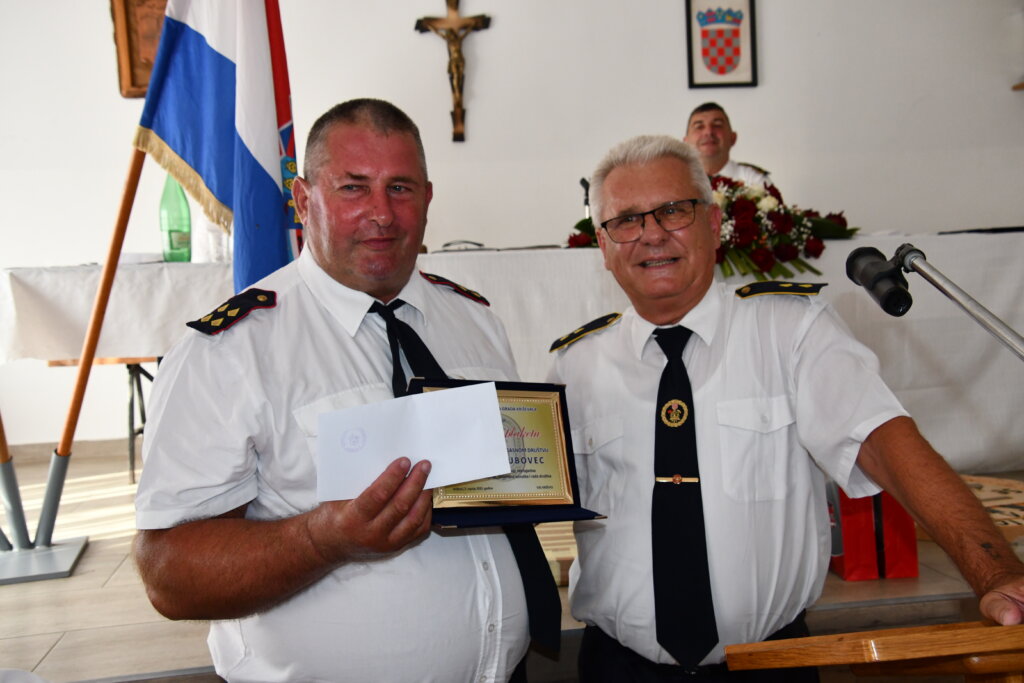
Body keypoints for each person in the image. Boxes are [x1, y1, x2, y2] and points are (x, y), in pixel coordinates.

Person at [548, 134, 1024, 682]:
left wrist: (996, 574)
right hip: (617, 668)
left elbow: (886, 445)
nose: (652, 234)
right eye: (627, 220)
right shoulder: (574, 364)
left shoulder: (793, 330)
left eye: (674, 210)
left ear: (713, 223)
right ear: (604, 246)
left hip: (770, 664)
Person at [133, 98, 553, 682]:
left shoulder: (475, 321)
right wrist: (323, 540)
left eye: (400, 188)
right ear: (304, 201)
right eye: (354, 188)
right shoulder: (230, 351)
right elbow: (169, 575)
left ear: (428, 199)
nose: (382, 213)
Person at [683, 102, 780, 196]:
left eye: (717, 125)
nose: (708, 132)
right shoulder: (679, 180)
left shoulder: (754, 180)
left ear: (733, 138)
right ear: (685, 142)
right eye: (699, 127)